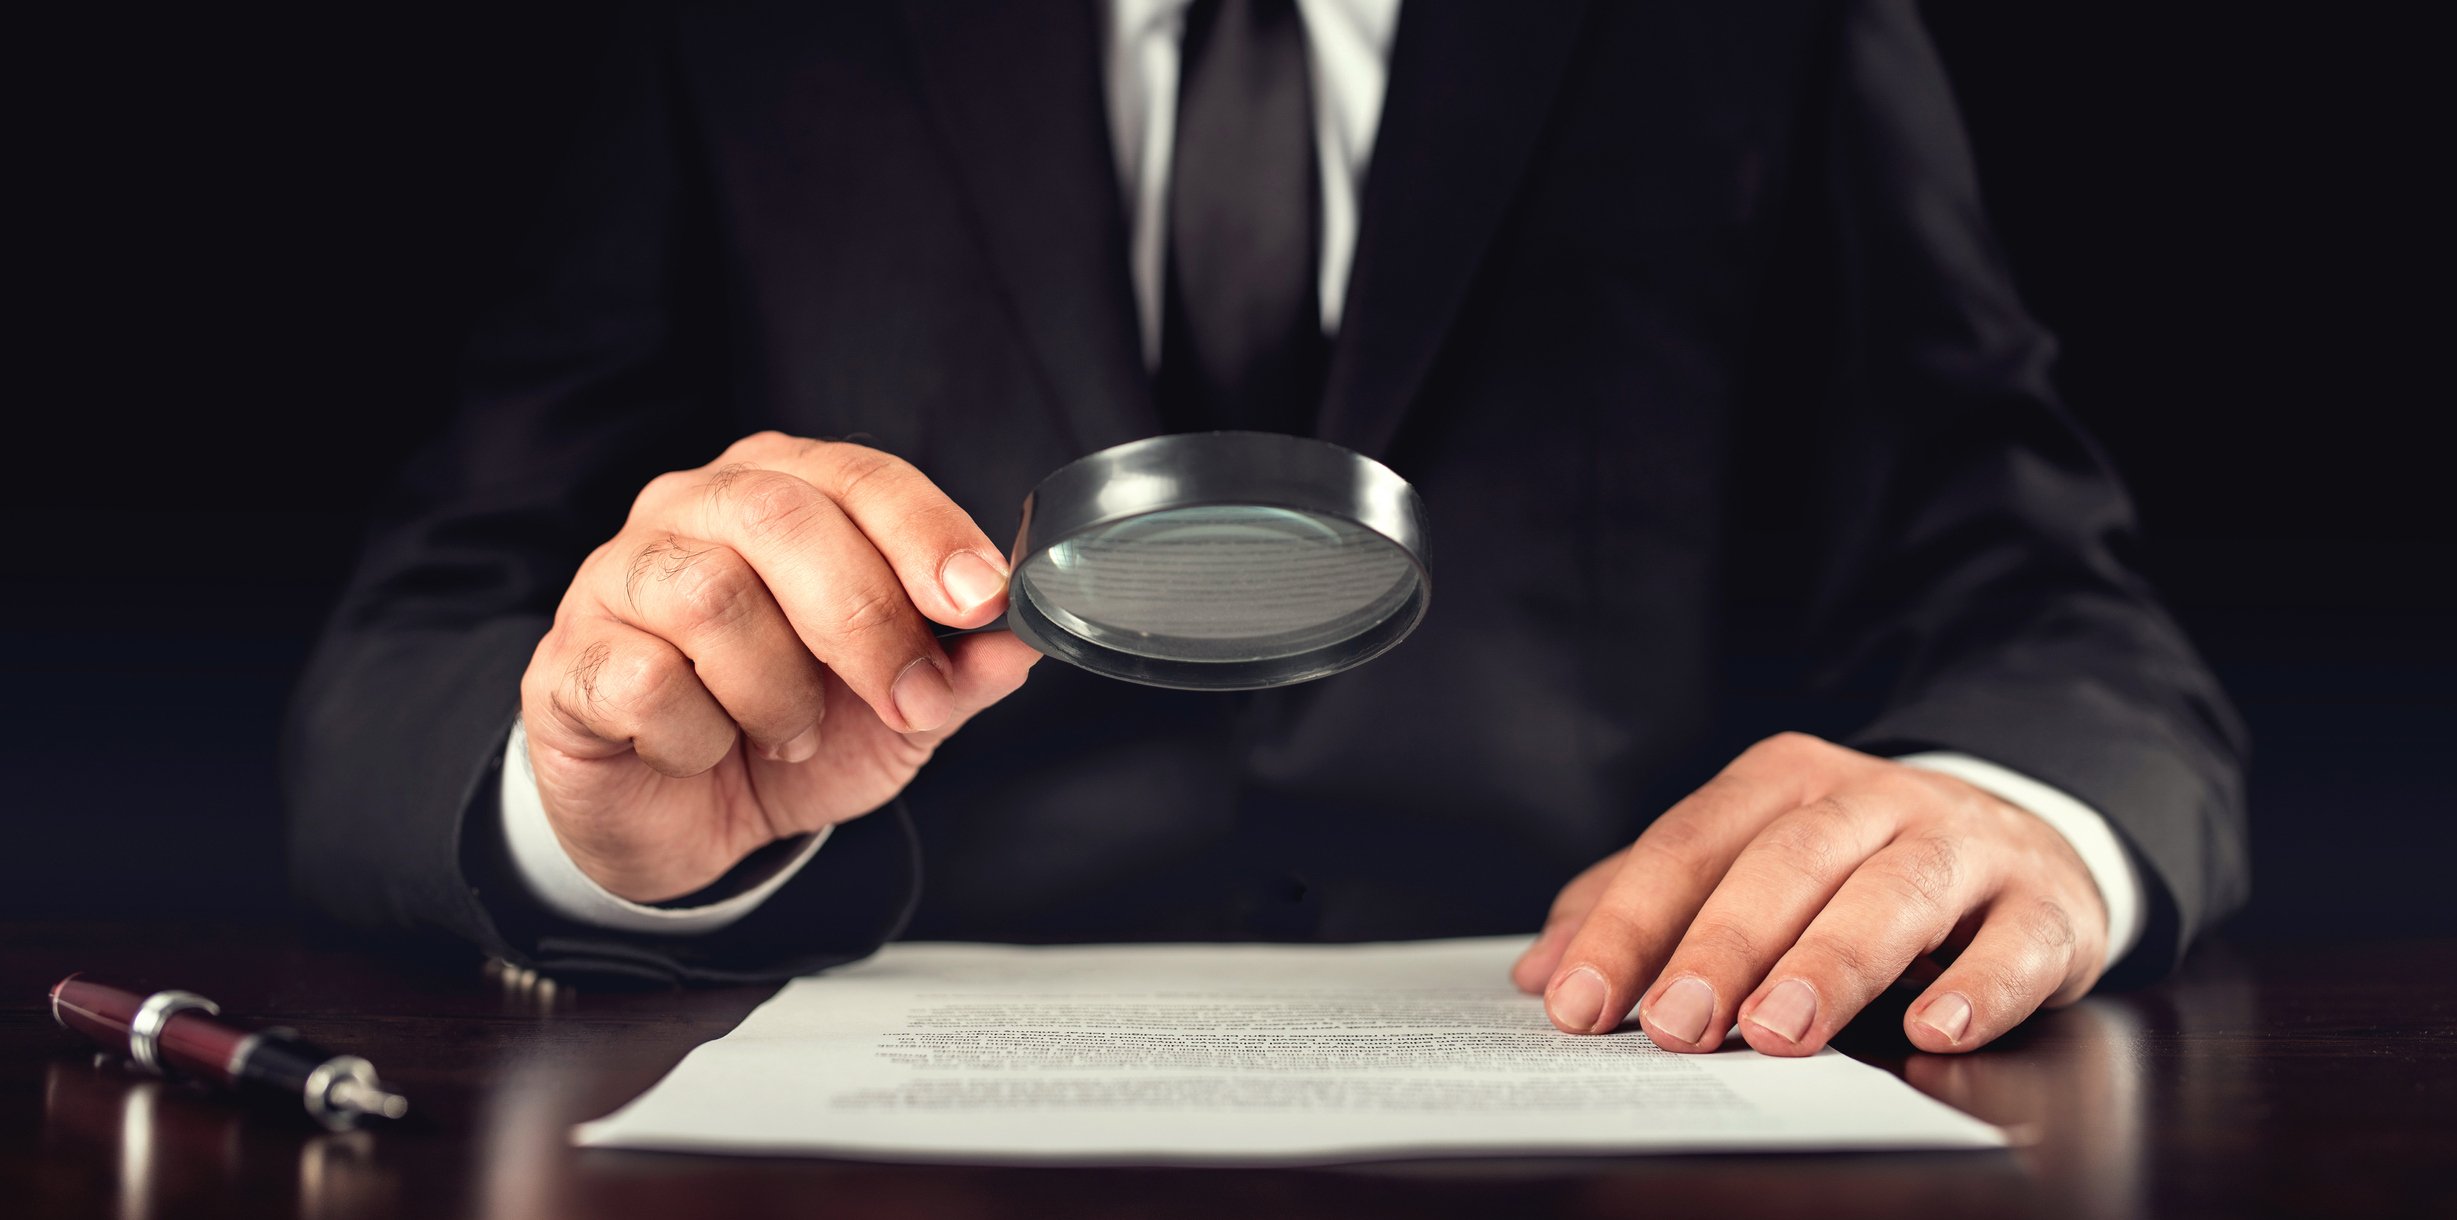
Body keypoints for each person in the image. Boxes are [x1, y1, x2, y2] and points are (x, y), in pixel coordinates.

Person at [283, 0, 2247, 1057]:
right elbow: (413, 638)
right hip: (873, 1062)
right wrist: (587, 800)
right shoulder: (741, 32)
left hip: (1612, 1054)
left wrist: (2017, 812)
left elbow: (2036, 587)